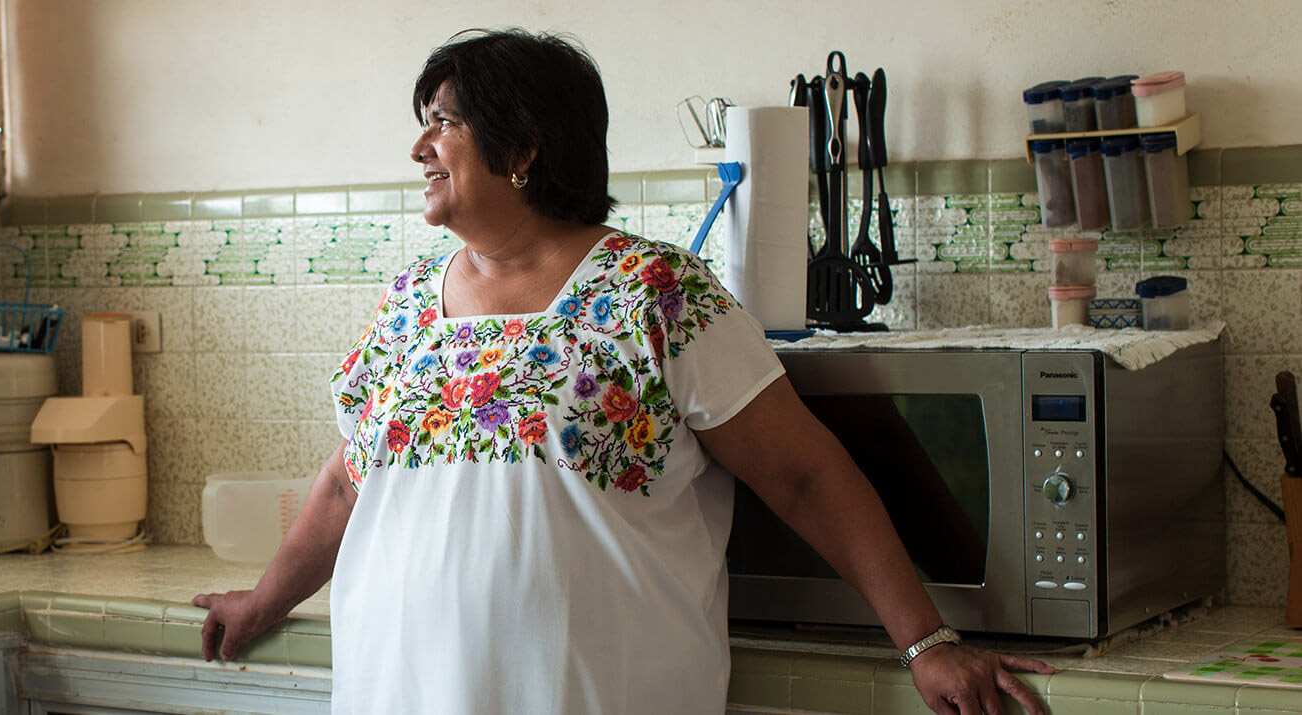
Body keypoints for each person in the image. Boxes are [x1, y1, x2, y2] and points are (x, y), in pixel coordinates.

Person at [193, 28, 1053, 714]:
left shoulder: (655, 292)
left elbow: (803, 474)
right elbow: (348, 483)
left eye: (444, 121)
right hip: (394, 692)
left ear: (522, 145)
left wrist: (924, 639)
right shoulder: (408, 302)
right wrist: (264, 601)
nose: (420, 144)